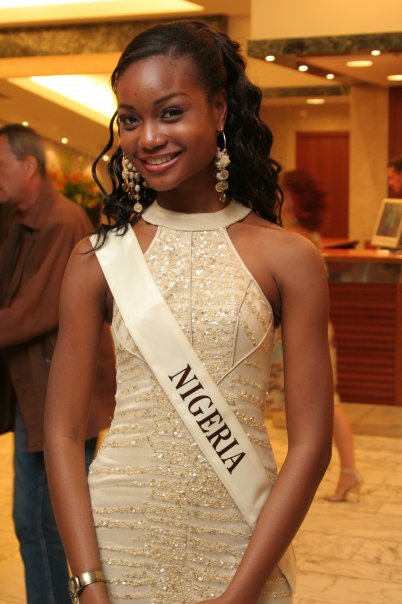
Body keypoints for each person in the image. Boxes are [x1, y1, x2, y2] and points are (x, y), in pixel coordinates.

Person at [44, 21, 333, 604]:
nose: (148, 137)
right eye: (131, 119)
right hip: (118, 542)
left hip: (242, 542)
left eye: (171, 113)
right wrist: (88, 581)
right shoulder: (96, 259)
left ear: (219, 109)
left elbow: (312, 444)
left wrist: (240, 594)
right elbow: (63, 431)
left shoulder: (290, 258)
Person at [0, 123, 116, 604]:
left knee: (47, 522)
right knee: (34, 521)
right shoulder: (21, 218)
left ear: (29, 166)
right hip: (36, 391)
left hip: (60, 395)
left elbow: (35, 311)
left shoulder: (61, 221)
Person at [278, 169, 363, 502]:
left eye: (283, 191)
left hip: (296, 334)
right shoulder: (305, 234)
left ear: (295, 198)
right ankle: (348, 471)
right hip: (307, 330)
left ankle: (347, 470)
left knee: (324, 402)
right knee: (324, 401)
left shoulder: (293, 236)